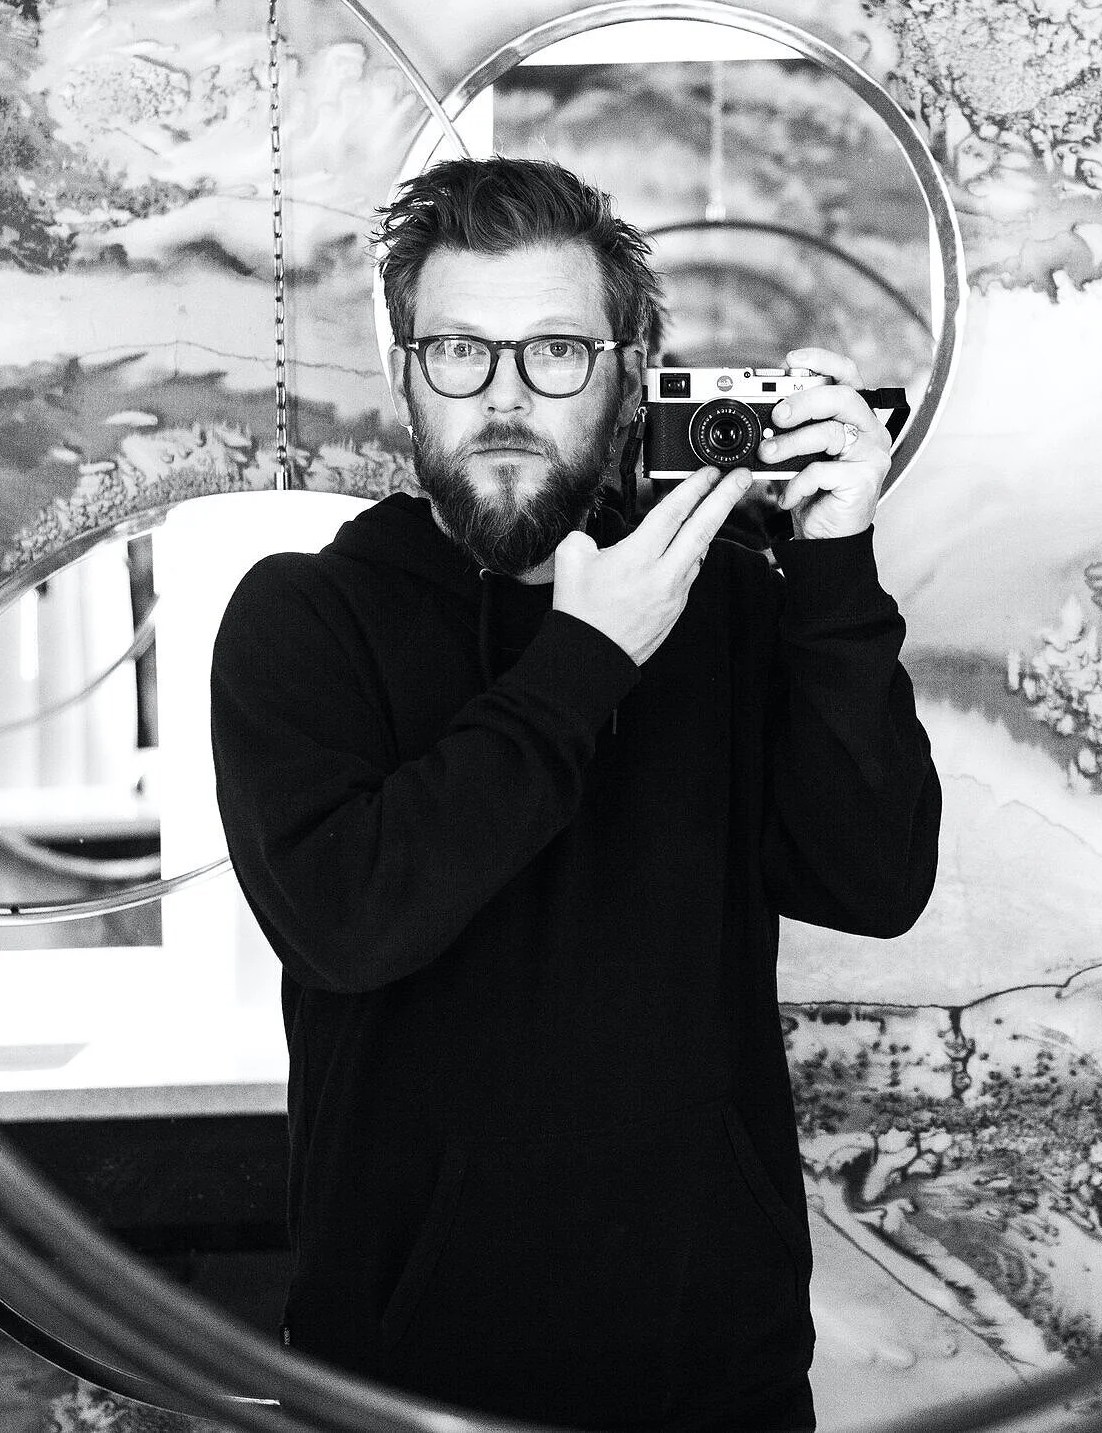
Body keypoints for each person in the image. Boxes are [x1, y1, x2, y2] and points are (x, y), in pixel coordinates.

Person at [209, 156, 942, 1432]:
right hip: (398, 1390)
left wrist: (833, 570)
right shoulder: (303, 617)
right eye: (458, 351)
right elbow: (349, 920)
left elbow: (875, 881)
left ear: (626, 374)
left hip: (713, 1381)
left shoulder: (722, 601)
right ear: (403, 375)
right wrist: (587, 661)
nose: (502, 396)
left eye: (554, 351)